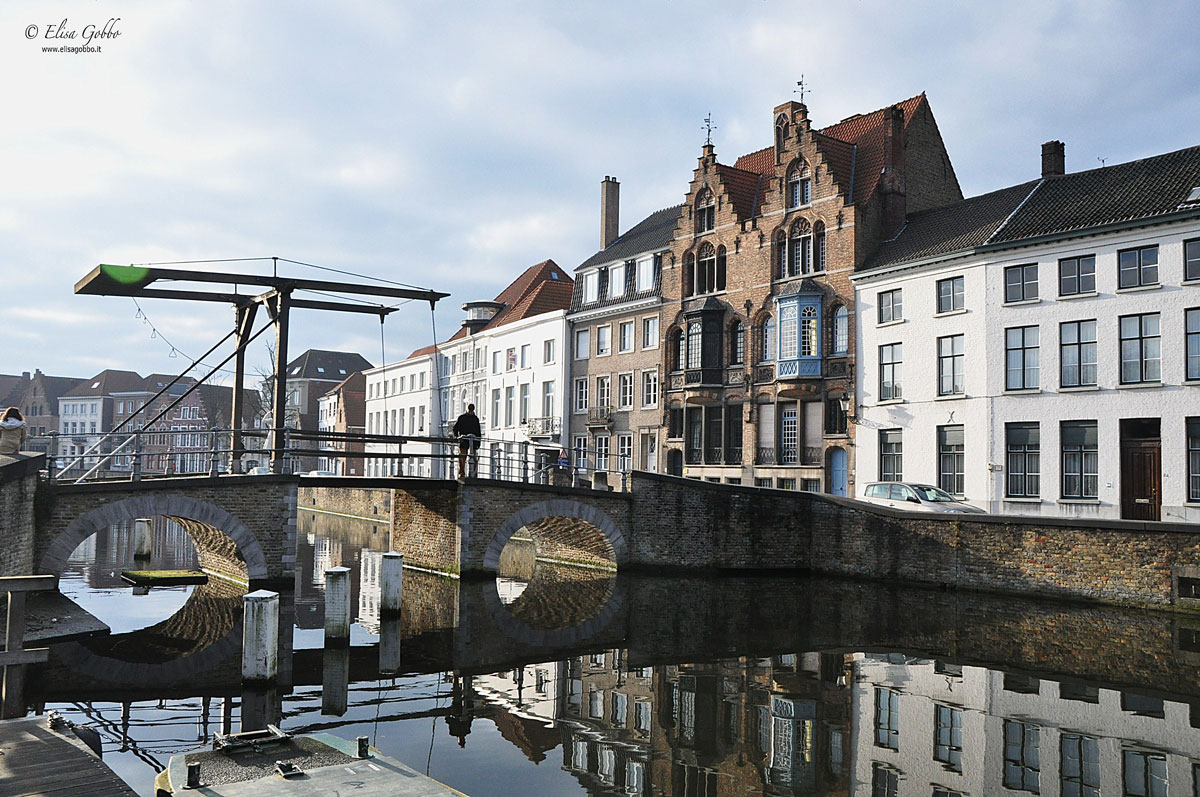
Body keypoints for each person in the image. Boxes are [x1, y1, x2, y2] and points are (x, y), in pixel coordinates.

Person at [451, 404, 481, 479]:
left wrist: (478, 442)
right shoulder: (462, 418)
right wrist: (457, 437)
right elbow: (455, 429)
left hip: (472, 441)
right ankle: (462, 473)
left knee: (473, 458)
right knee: (462, 457)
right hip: (463, 440)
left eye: (471, 410)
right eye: (470, 410)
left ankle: (473, 473)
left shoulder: (475, 419)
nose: (471, 412)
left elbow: (478, 432)